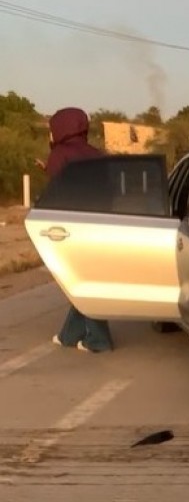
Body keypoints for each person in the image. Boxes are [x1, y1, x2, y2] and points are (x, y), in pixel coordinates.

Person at [40, 107, 115, 353]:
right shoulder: (96, 154)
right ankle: (69, 335)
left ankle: (98, 339)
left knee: (83, 282)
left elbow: (58, 188)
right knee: (83, 279)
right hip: (100, 225)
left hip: (72, 228)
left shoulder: (59, 154)